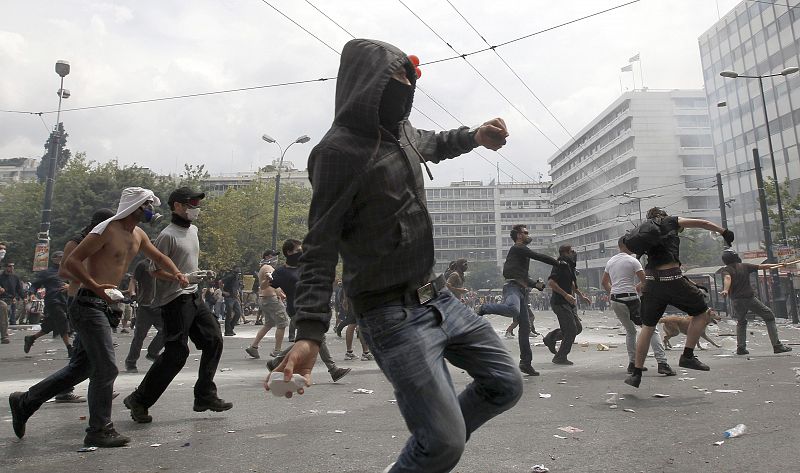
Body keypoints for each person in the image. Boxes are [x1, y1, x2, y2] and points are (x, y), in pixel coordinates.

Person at [270, 38, 521, 473]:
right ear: (367, 84)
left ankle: (430, 448)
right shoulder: (336, 152)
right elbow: (320, 245)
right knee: (443, 444)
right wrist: (309, 331)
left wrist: (474, 137)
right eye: (397, 78)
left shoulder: (401, 131)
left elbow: (434, 142)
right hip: (390, 314)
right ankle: (433, 447)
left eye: (410, 77)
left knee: (504, 384)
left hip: (438, 298)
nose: (407, 87)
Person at [9, 187, 188, 447]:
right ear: (134, 206)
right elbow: (72, 262)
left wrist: (177, 274)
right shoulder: (106, 229)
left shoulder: (138, 234)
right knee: (106, 367)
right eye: (147, 205)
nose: (150, 211)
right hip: (88, 303)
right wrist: (95, 286)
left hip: (106, 305)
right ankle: (99, 429)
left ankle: (25, 401)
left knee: (81, 368)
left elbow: (159, 257)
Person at [124, 187, 231, 424]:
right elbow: (154, 270)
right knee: (177, 353)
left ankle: (205, 395)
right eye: (191, 203)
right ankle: (139, 400)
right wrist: (179, 277)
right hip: (173, 300)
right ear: (177, 206)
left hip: (193, 295)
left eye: (196, 203)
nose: (195, 207)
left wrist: (197, 275)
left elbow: (188, 264)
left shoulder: (193, 230)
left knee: (214, 340)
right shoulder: (167, 235)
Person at [625, 207, 734, 388]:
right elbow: (703, 223)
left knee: (648, 327)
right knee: (701, 312)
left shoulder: (644, 231)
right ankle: (688, 356)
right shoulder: (670, 221)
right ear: (664, 215)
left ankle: (636, 373)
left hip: (652, 283)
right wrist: (724, 232)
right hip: (673, 279)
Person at [479, 224, 561, 375]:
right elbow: (538, 256)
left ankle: (525, 363)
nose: (528, 234)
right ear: (518, 235)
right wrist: (557, 262)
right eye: (525, 232)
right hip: (513, 288)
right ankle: (484, 308)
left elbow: (523, 277)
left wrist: (536, 284)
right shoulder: (518, 248)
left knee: (525, 328)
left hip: (521, 291)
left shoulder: (521, 254)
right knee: (512, 309)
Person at [265, 239, 350, 382]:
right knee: (316, 337)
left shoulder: (303, 267)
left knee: (309, 337)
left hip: (310, 306)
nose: (301, 253)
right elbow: (267, 285)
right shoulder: (281, 271)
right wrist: (267, 280)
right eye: (298, 251)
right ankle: (333, 369)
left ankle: (276, 361)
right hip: (297, 308)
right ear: (289, 252)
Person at [602, 237, 675, 376]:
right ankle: (662, 363)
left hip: (616, 300)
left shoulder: (610, 261)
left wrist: (614, 292)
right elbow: (645, 280)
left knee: (630, 331)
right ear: (626, 245)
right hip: (631, 299)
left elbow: (604, 282)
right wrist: (637, 289)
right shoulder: (632, 260)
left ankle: (632, 363)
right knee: (651, 329)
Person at [719, 248, 792, 355]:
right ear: (735, 257)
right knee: (769, 316)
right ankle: (777, 346)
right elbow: (763, 267)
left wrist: (726, 290)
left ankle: (741, 347)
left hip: (736, 300)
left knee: (741, 321)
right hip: (749, 298)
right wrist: (780, 265)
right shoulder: (744, 266)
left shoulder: (726, 269)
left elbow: (727, 278)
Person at [543, 245, 592, 366]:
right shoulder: (559, 264)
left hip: (568, 303)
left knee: (577, 328)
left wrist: (580, 295)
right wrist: (565, 295)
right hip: (559, 302)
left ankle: (551, 338)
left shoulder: (569, 266)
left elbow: (571, 284)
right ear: (564, 252)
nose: (574, 254)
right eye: (572, 251)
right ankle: (560, 357)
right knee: (571, 330)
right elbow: (551, 283)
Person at [25, 252, 72, 357]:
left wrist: (70, 286)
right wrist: (32, 293)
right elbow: (35, 284)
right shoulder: (46, 273)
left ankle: (31, 338)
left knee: (51, 324)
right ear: (53, 259)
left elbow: (76, 283)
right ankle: (69, 348)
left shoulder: (68, 271)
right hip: (53, 300)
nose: (61, 259)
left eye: (63, 257)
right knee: (62, 319)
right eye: (59, 257)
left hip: (65, 301)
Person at [245, 249, 287, 359]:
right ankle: (277, 350)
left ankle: (253, 347)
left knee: (268, 324)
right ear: (268, 256)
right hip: (272, 299)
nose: (276, 258)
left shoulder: (262, 267)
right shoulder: (268, 268)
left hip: (264, 299)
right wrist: (280, 294)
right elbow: (273, 283)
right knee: (282, 323)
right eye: (274, 255)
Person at [124, 257, 164, 372]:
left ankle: (152, 352)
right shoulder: (143, 265)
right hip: (145, 306)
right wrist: (132, 293)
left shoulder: (164, 264)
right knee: (139, 336)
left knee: (166, 331)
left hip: (159, 306)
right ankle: (131, 362)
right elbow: (133, 280)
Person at [0, 261, 24, 343]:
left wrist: (24, 297)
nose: (12, 268)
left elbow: (19, 288)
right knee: (4, 316)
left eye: (13, 266)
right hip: (2, 298)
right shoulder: (1, 276)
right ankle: (4, 336)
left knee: (8, 317)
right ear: (6, 267)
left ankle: (4, 337)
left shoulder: (15, 277)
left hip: (12, 299)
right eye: (10, 266)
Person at [221, 268, 242, 336]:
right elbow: (220, 282)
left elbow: (236, 288)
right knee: (229, 314)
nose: (237, 275)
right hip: (229, 297)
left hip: (234, 297)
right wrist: (223, 291)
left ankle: (230, 328)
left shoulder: (237, 279)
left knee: (238, 313)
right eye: (236, 273)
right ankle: (228, 331)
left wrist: (238, 296)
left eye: (238, 274)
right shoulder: (230, 277)